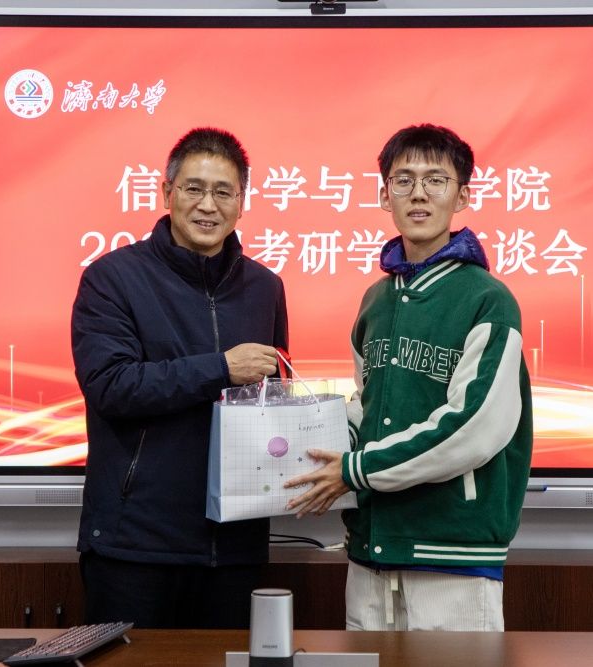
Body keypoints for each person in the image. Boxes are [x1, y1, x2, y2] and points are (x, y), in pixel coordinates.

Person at [284, 124, 533, 631]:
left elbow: (473, 427)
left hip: (451, 558)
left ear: (462, 196)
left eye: (436, 180)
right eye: (403, 180)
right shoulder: (375, 300)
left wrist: (355, 470)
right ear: (385, 196)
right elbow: (366, 403)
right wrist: (313, 447)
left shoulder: (488, 300)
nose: (418, 193)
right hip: (371, 552)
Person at [71, 127, 288, 629]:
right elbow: (111, 386)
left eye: (223, 192)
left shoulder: (265, 288)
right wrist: (221, 368)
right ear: (167, 192)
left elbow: (271, 401)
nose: (208, 205)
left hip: (234, 547)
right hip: (135, 545)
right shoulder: (112, 278)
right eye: (193, 188)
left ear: (241, 202)